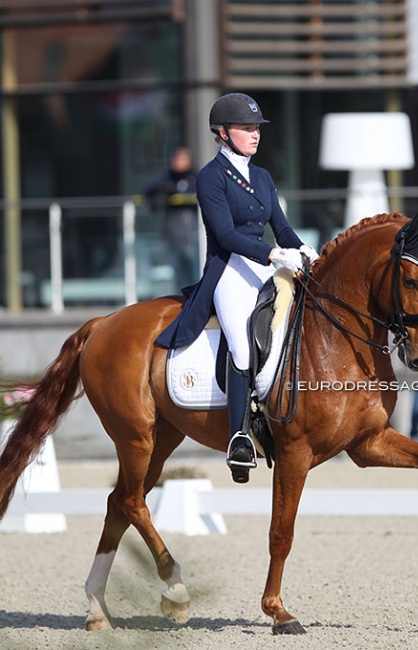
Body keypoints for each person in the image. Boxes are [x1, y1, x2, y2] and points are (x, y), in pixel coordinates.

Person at [156, 92, 318, 483]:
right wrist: (275, 255)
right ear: (224, 133)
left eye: (256, 128)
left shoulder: (262, 176)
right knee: (243, 345)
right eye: (247, 128)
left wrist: (303, 247)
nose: (255, 134)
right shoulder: (210, 177)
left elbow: (280, 224)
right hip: (229, 270)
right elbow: (226, 235)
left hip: (267, 264)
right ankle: (240, 436)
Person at [144, 147, 198, 289]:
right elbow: (148, 190)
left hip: (192, 235)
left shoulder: (195, 178)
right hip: (173, 235)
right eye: (176, 159)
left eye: (182, 159)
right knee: (178, 275)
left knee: (195, 272)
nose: (178, 163)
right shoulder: (167, 178)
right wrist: (165, 190)